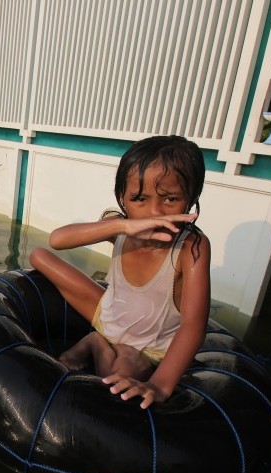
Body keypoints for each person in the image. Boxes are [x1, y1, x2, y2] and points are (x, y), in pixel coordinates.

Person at [29, 135, 211, 409]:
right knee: (39, 256)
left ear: (191, 199)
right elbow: (57, 240)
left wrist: (160, 385)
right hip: (108, 314)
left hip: (147, 346)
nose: (153, 212)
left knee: (117, 376)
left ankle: (97, 344)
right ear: (122, 197)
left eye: (170, 199)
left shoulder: (191, 246)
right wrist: (123, 227)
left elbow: (193, 324)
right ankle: (98, 338)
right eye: (138, 199)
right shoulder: (121, 227)